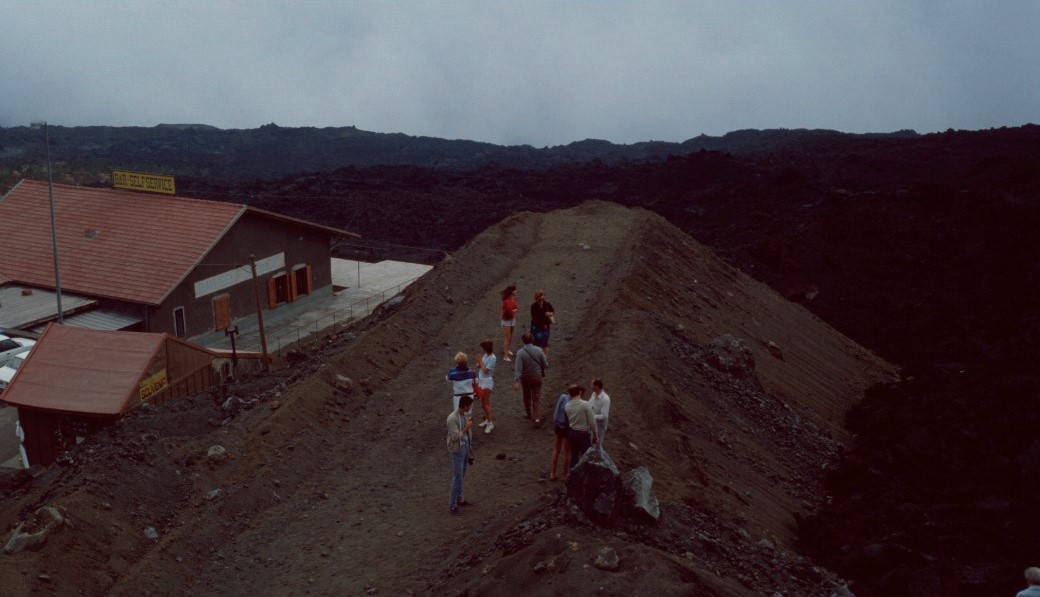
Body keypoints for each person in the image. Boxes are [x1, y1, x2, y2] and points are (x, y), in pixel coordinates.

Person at [446, 394, 475, 515]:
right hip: (457, 450)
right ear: (466, 406)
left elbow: (467, 435)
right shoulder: (452, 418)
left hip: (464, 448)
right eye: (469, 406)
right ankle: (452, 505)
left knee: (461, 475)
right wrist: (465, 428)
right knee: (457, 478)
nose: (470, 408)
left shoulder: (465, 414)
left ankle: (460, 499)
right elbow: (454, 437)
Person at [513, 332, 548, 427]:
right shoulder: (539, 350)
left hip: (526, 378)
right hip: (537, 377)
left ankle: (528, 413)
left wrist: (516, 381)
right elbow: (545, 364)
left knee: (526, 395)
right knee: (536, 398)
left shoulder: (520, 352)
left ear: (523, 341)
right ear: (532, 340)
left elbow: (518, 368)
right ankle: (537, 418)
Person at [549, 385, 580, 481]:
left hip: (558, 426)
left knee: (556, 449)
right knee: (567, 452)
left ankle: (552, 473)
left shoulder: (562, 397)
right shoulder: (571, 403)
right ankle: (565, 474)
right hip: (566, 428)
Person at [564, 385, 598, 467]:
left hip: (572, 433)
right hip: (583, 435)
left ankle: (572, 477)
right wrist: (595, 435)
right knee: (586, 458)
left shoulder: (567, 405)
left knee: (574, 457)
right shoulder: (585, 405)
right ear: (579, 392)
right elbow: (592, 422)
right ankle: (584, 478)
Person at [475, 339, 497, 433]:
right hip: (481, 381)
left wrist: (480, 362)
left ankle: (490, 423)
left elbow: (486, 370)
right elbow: (480, 367)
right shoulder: (485, 355)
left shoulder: (492, 358)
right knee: (482, 404)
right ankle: (487, 420)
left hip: (487, 382)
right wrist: (479, 363)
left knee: (486, 404)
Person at [529, 290, 555, 356]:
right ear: (536, 299)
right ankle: (537, 358)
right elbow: (535, 318)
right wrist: (544, 317)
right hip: (537, 328)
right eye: (539, 300)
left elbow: (552, 310)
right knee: (536, 344)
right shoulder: (533, 307)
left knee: (545, 343)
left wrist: (550, 314)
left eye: (542, 299)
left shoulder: (546, 304)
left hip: (545, 327)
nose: (541, 301)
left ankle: (544, 359)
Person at [589, 378, 611, 451]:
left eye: (592, 385)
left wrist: (591, 416)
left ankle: (599, 460)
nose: (590, 386)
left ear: (597, 387)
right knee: (592, 443)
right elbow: (590, 404)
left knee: (597, 445)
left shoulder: (605, 399)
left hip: (599, 425)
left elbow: (604, 416)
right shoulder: (593, 394)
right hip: (593, 422)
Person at [500, 285, 519, 362]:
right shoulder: (506, 301)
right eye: (515, 290)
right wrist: (514, 310)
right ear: (511, 291)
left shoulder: (512, 299)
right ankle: (505, 356)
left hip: (511, 319)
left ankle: (507, 350)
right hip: (506, 321)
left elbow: (516, 308)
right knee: (507, 338)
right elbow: (511, 312)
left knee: (510, 336)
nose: (516, 291)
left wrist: (514, 310)